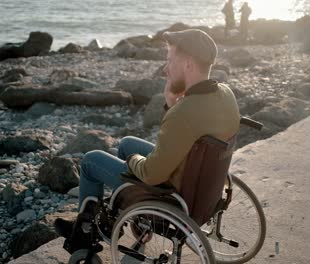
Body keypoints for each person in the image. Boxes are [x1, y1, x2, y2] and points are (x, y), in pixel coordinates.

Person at [54, 29, 240, 237]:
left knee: (91, 161)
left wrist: (134, 160)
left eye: (169, 61)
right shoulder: (225, 93)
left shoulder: (182, 113)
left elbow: (152, 174)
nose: (165, 70)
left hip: (173, 194)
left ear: (188, 64)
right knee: (126, 143)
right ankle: (125, 215)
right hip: (201, 183)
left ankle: (85, 233)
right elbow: (192, 129)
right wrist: (172, 104)